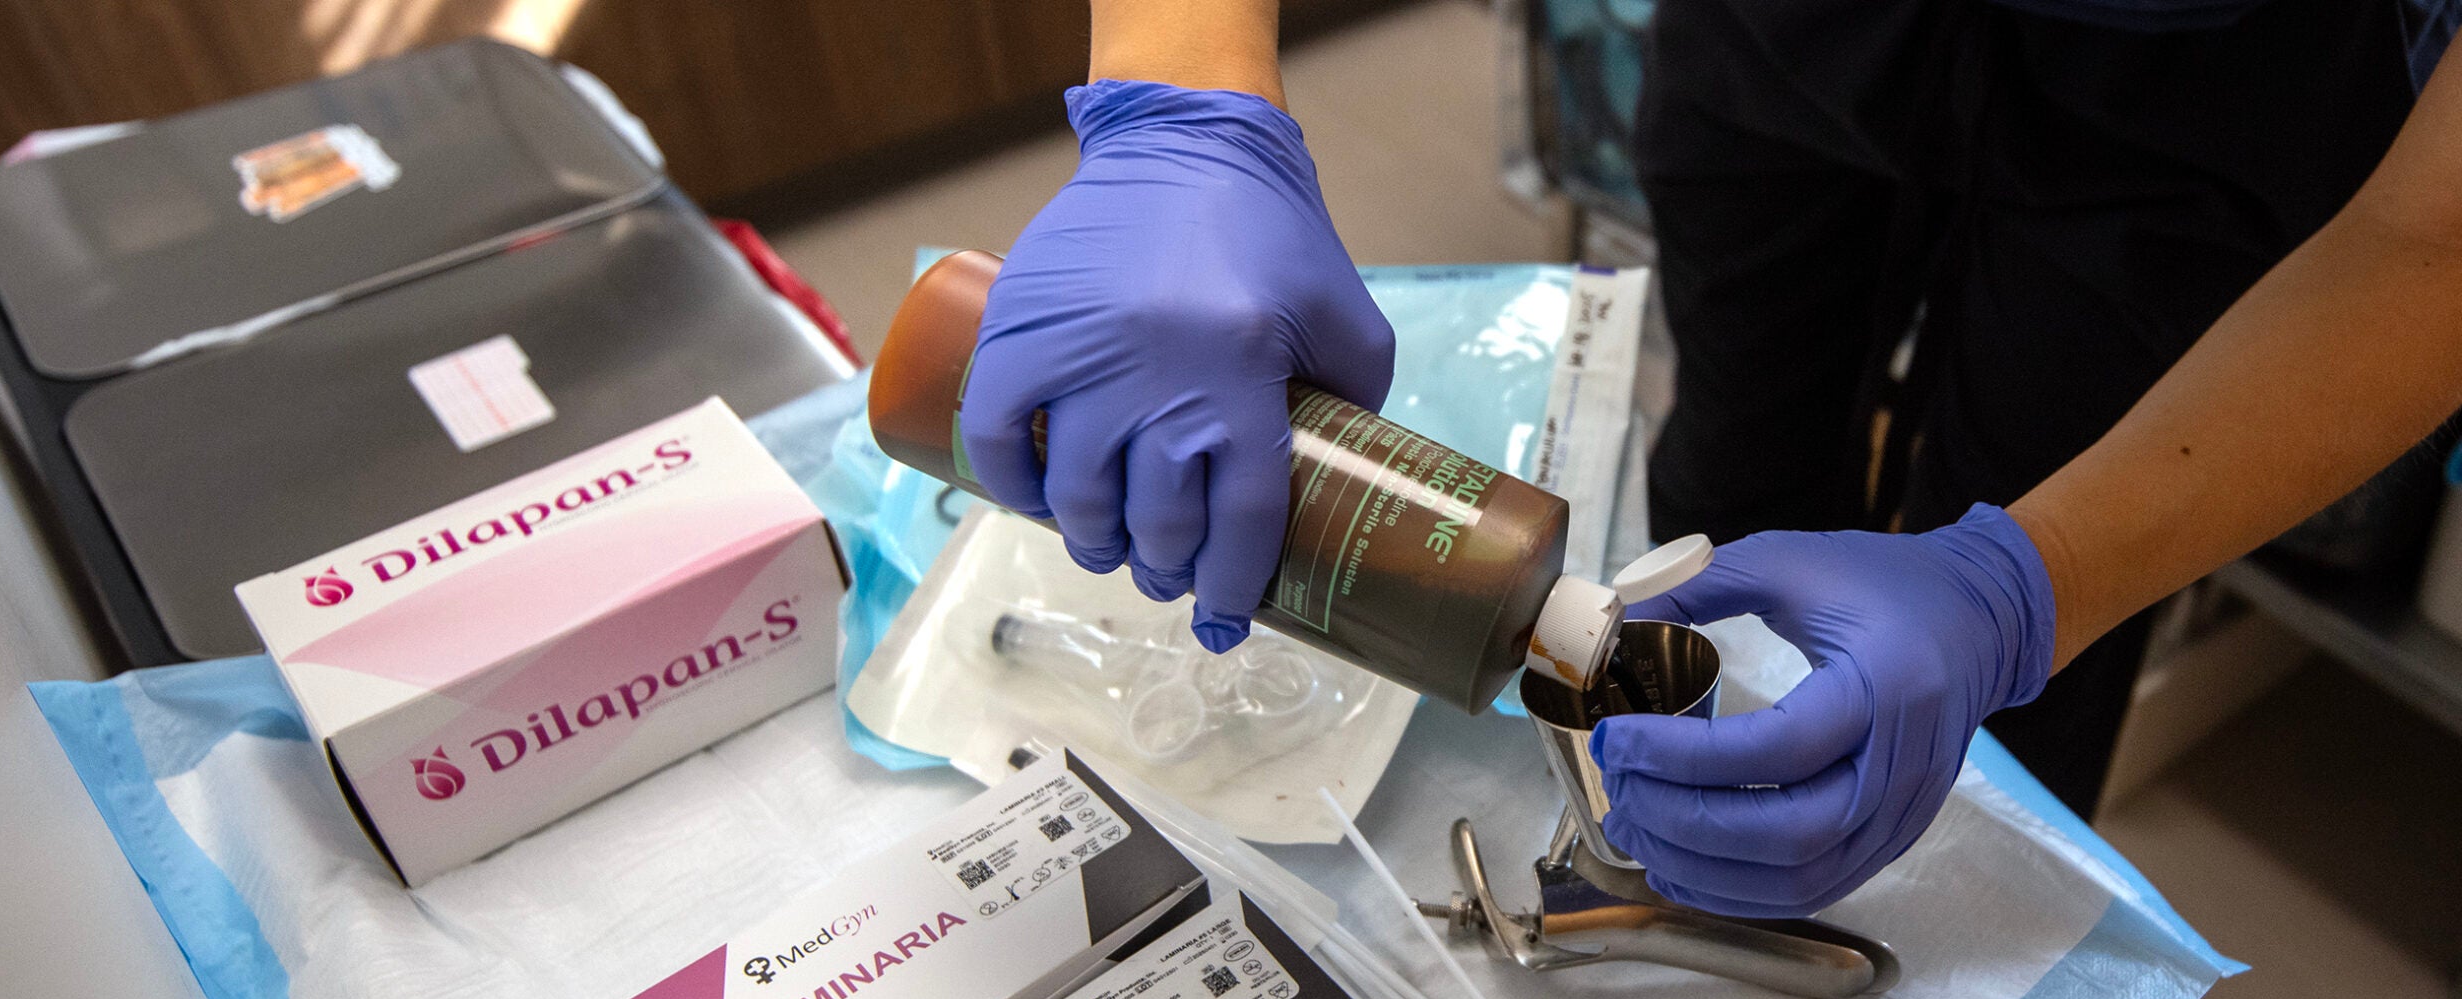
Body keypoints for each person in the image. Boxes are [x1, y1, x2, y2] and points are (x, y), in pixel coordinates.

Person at [959, 0, 2462, 920]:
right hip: (1786, 30)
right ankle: (1672, 860)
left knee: (2003, 658)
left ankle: (1869, 994)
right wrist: (1184, 91)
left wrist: (2030, 586)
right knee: (1735, 477)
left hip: (2205, 83)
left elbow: (2438, 243)